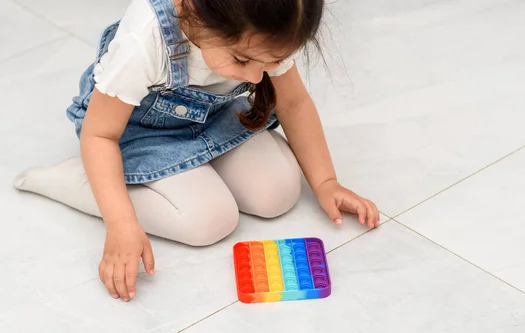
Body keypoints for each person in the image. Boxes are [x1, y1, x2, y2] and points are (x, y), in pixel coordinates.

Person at [13, 0, 380, 302]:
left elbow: (295, 103)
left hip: (214, 116)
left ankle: (195, 165)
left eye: (268, 64)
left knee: (279, 193)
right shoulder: (146, 37)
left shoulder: (270, 22)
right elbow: (100, 135)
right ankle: (79, 180)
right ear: (193, 11)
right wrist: (121, 225)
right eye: (241, 61)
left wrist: (327, 182)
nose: (257, 78)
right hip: (134, 131)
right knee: (208, 221)